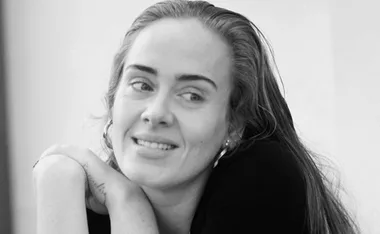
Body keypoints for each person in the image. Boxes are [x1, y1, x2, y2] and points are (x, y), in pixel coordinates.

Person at [33, 0, 360, 233]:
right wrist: (58, 179)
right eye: (141, 84)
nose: (156, 113)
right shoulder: (95, 208)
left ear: (233, 124)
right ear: (113, 100)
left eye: (191, 95)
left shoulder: (264, 179)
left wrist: (130, 207)